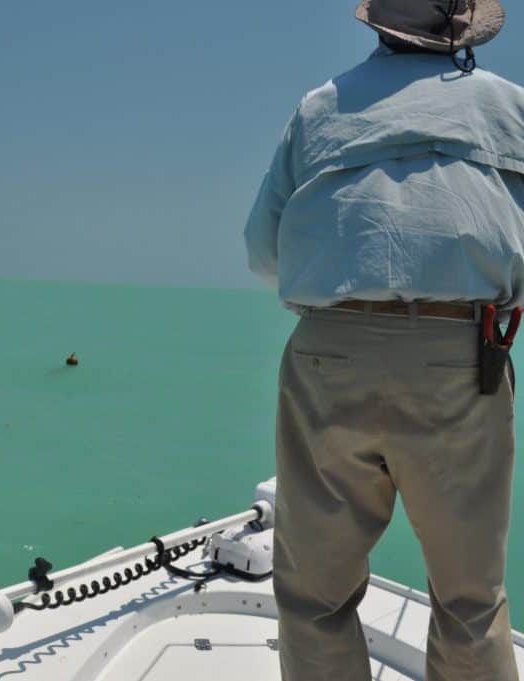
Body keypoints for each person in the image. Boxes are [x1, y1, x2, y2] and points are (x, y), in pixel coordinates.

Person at [243, 1, 524, 679]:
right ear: (459, 32)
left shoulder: (319, 108)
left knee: (313, 595)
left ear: (379, 24)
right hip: (461, 356)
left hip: (329, 352)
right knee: (469, 599)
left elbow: (263, 249)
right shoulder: (509, 108)